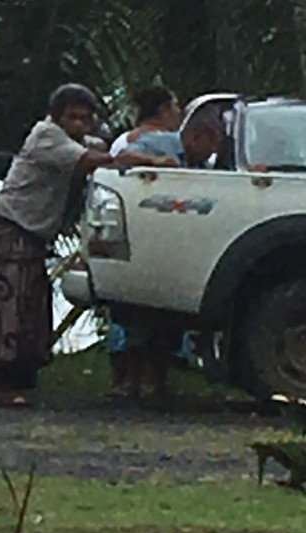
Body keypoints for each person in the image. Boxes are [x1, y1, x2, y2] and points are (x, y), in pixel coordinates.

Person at [0, 84, 114, 406]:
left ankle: (18, 374)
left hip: (34, 233)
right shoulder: (47, 136)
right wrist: (124, 155)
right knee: (7, 304)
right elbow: (87, 161)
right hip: (13, 227)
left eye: (84, 118)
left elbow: (96, 145)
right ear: (56, 117)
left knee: (30, 306)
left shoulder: (75, 140)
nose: (78, 124)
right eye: (72, 118)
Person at [110, 108, 224, 399]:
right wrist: (155, 163)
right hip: (144, 238)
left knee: (167, 321)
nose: (212, 152)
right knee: (137, 316)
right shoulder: (159, 143)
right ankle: (128, 381)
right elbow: (121, 160)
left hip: (178, 246)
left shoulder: (201, 166)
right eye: (211, 144)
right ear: (196, 136)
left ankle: (157, 382)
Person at [105, 86, 182, 397]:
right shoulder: (176, 145)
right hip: (169, 233)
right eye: (175, 106)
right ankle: (156, 379)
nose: (179, 113)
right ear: (163, 110)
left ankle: (125, 378)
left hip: (129, 232)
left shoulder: (123, 142)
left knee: (126, 310)